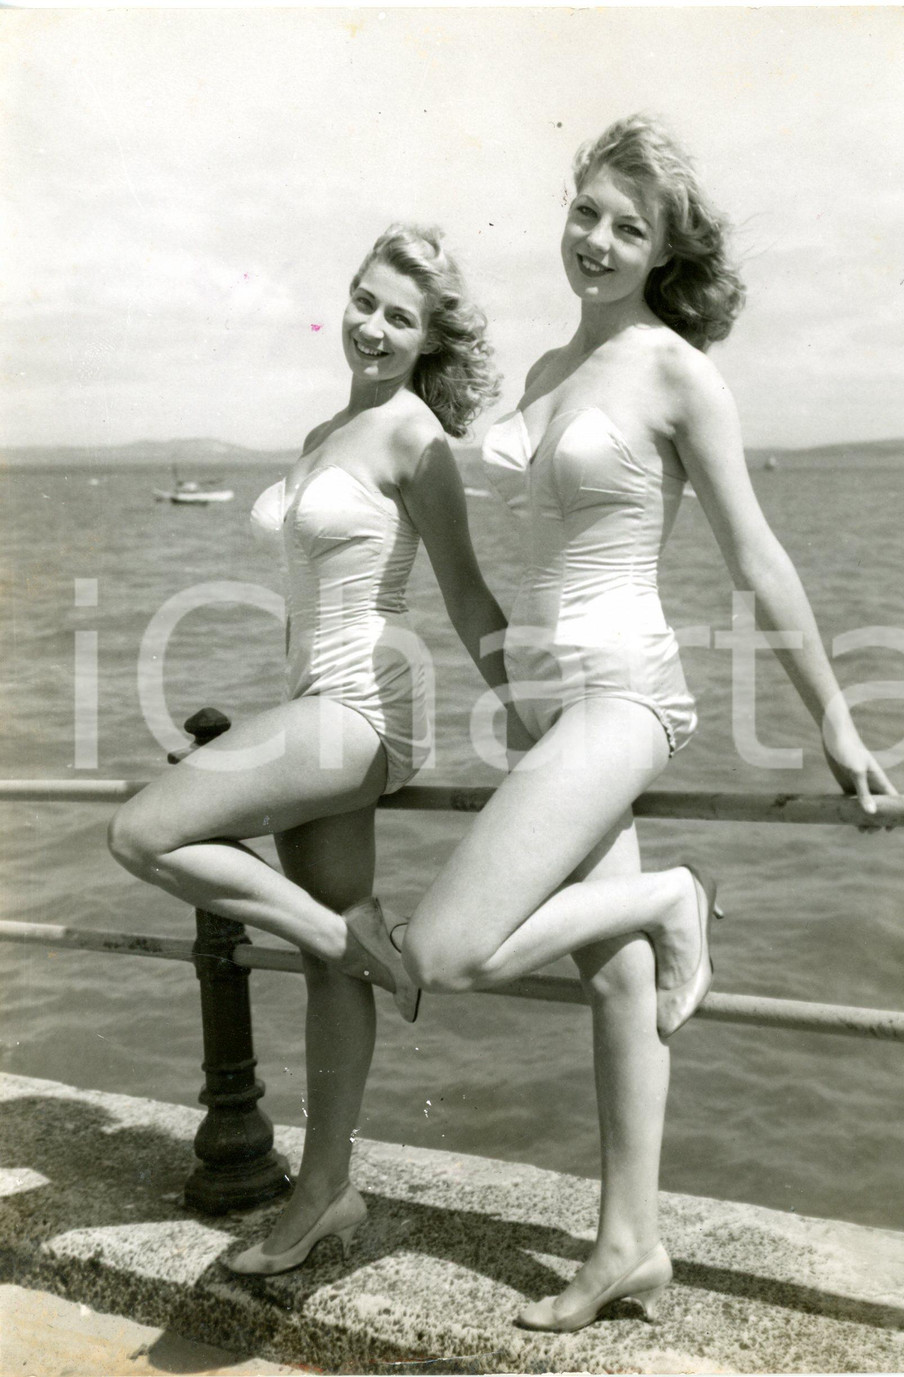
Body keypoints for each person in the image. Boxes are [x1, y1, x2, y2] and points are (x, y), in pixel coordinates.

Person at [355, 113, 896, 1332]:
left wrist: (836, 722)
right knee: (612, 984)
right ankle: (629, 1244)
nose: (596, 240)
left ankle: (674, 897)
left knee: (442, 950)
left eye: (627, 226)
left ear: (662, 251)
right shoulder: (546, 374)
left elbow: (756, 562)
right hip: (549, 711)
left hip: (624, 695)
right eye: (586, 213)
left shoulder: (674, 372)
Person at [107, 223, 513, 1274]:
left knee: (145, 829)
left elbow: (465, 593)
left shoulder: (416, 438)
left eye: (400, 316)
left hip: (368, 707)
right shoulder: (324, 431)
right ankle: (325, 1188)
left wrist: (530, 704)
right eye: (365, 301)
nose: (373, 326)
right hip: (312, 699)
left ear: (429, 339)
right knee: (328, 932)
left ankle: (352, 943)